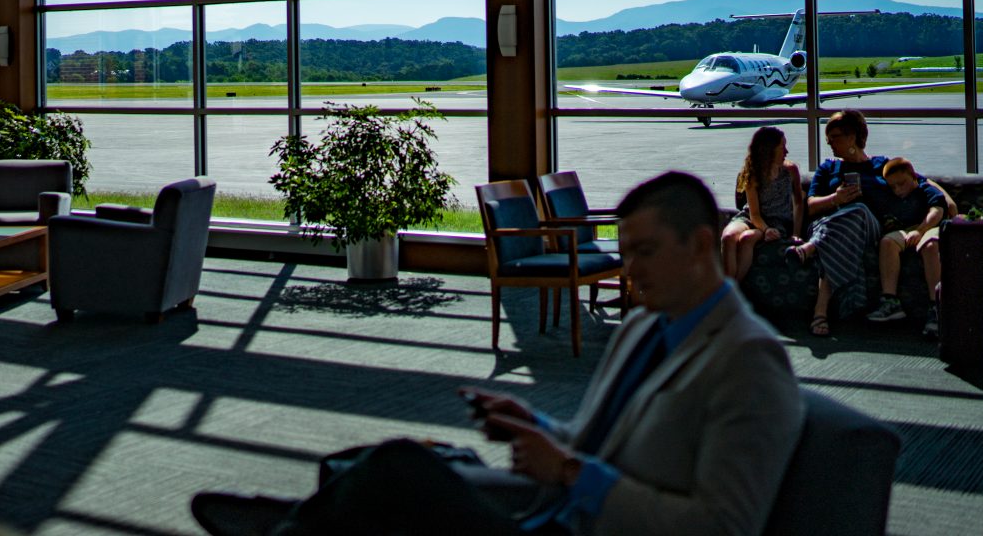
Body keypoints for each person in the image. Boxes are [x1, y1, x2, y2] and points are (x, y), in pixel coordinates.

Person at [191, 171, 803, 536]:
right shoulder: (649, 329)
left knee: (398, 470)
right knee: (382, 473)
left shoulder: (748, 363)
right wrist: (536, 425)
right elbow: (598, 442)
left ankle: (286, 526)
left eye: (643, 251)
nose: (628, 268)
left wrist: (566, 473)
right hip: (551, 515)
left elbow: (723, 529)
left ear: (700, 245)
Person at [786, 109, 888, 336]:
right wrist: (835, 199)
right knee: (838, 234)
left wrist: (943, 201)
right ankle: (820, 312)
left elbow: (917, 181)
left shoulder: (881, 165)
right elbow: (809, 207)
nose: (829, 143)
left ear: (853, 137)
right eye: (828, 139)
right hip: (827, 225)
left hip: (867, 226)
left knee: (858, 210)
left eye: (835, 137)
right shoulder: (828, 168)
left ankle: (810, 248)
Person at [867, 157, 947, 338]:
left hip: (929, 228)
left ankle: (937, 307)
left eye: (902, 184)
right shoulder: (890, 195)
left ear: (913, 177)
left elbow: (938, 211)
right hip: (905, 231)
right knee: (887, 242)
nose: (898, 190)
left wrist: (920, 231)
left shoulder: (925, 189)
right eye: (893, 186)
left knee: (930, 245)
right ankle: (890, 301)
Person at [721, 127, 804, 281]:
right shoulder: (753, 172)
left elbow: (798, 203)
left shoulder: (791, 170)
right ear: (769, 150)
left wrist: (796, 234)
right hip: (754, 217)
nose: (786, 151)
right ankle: (727, 291)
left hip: (777, 220)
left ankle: (731, 291)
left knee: (747, 238)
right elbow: (754, 214)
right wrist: (766, 229)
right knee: (728, 237)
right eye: (782, 147)